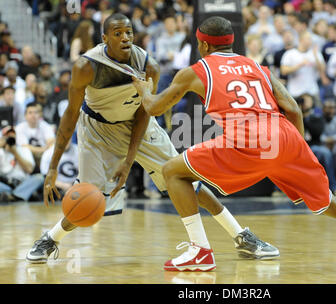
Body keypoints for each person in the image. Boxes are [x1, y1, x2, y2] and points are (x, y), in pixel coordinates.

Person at [133, 16, 336, 271]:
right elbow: (293, 108)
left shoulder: (196, 71)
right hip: (285, 135)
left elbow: (156, 108)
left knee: (173, 171)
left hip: (249, 139)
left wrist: (145, 91)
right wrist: (297, 150)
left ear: (204, 45)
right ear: (231, 43)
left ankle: (200, 251)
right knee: (328, 202)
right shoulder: (258, 67)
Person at [26, 13, 277, 264]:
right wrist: (52, 167)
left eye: (129, 32)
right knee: (90, 198)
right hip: (97, 129)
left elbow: (144, 114)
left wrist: (128, 162)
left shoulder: (149, 66)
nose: (125, 38)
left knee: (184, 178)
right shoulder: (86, 66)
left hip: (140, 127)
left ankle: (241, 236)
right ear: (104, 38)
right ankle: (50, 238)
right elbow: (70, 116)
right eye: (117, 33)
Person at [0, 125, 44, 202]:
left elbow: (30, 170)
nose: (10, 136)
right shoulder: (1, 151)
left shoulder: (24, 149)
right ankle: (19, 195)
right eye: (7, 135)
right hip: (6, 184)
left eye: (12, 134)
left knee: (39, 178)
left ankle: (12, 195)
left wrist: (15, 153)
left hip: (23, 183)